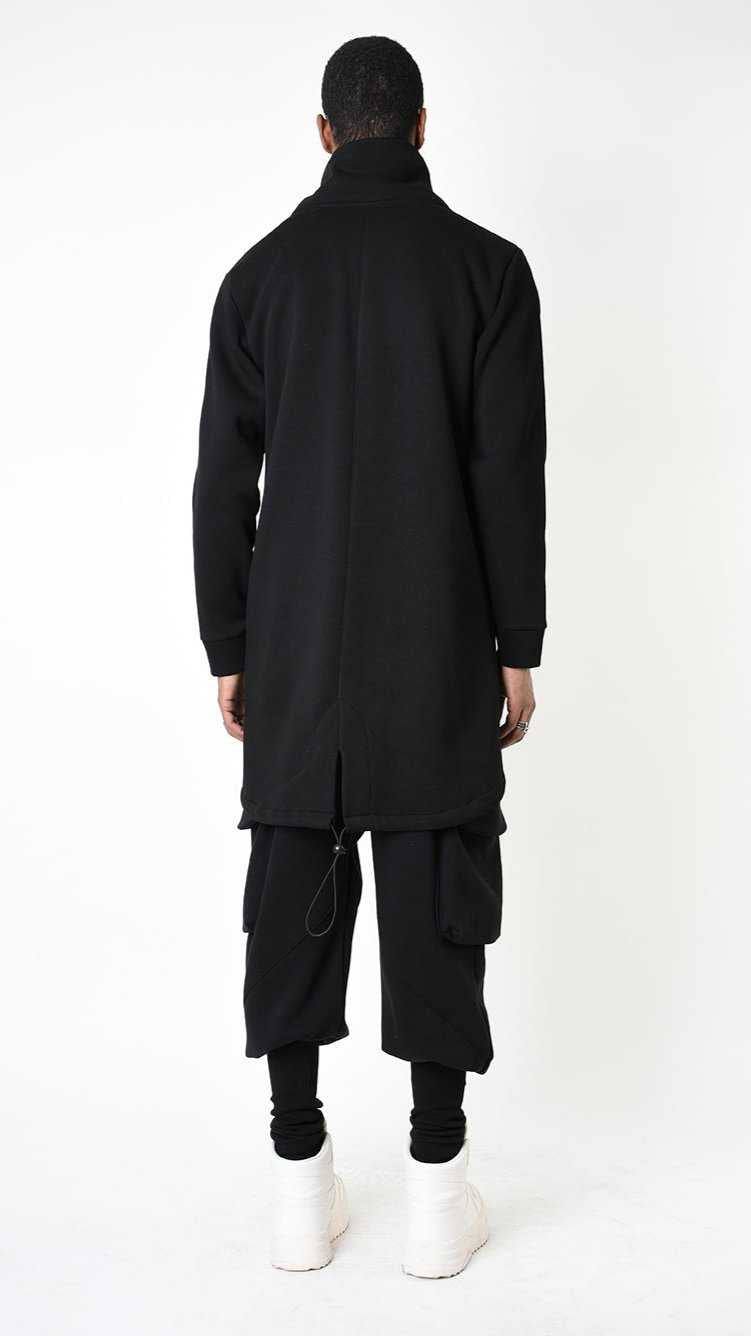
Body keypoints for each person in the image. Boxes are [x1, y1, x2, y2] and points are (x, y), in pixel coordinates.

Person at [193, 35, 546, 1277]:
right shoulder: (488, 273)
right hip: (442, 635)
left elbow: (221, 482)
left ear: (325, 131)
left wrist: (230, 644)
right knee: (439, 878)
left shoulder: (259, 278)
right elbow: (509, 475)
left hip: (293, 642)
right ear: (423, 125)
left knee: (291, 875)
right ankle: (438, 1193)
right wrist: (516, 644)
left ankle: (301, 1184)